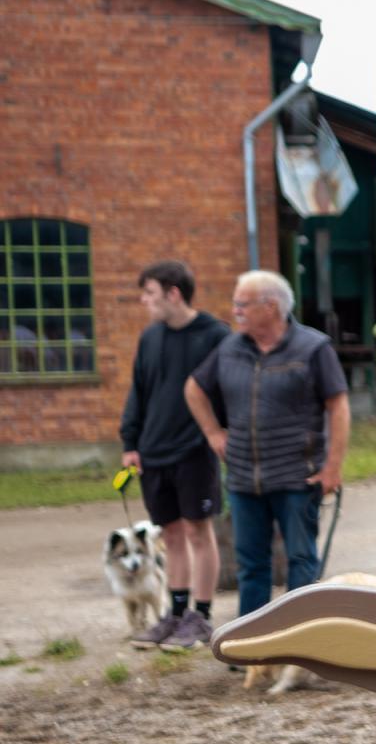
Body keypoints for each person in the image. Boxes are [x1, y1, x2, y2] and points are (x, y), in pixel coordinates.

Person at [185, 270, 349, 619]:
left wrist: (332, 466)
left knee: (301, 561)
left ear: (271, 307)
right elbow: (194, 388)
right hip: (245, 479)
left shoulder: (313, 348)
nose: (235, 311)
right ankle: (252, 649)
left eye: (242, 304)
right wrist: (214, 432)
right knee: (251, 566)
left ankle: (299, 644)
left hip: (297, 477)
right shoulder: (230, 348)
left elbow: (338, 406)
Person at [119, 260, 230, 648]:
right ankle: (176, 613)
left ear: (174, 293)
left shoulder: (216, 335)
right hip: (153, 452)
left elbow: (227, 391)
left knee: (199, 531)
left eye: (149, 293)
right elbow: (139, 391)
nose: (143, 300)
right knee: (170, 533)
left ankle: (202, 615)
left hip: (194, 451)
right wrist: (130, 443)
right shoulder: (150, 338)